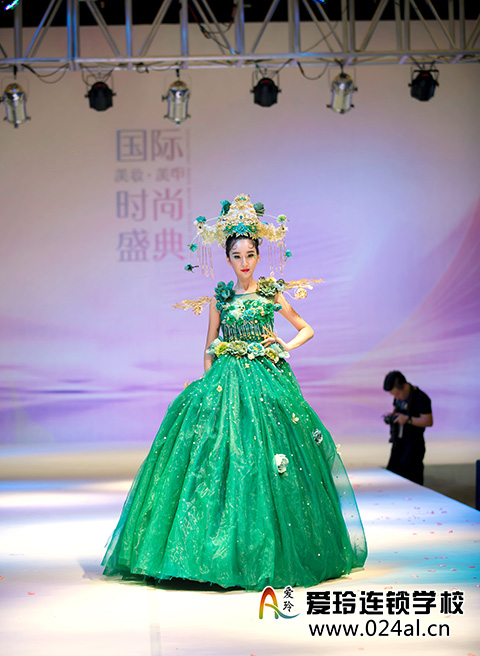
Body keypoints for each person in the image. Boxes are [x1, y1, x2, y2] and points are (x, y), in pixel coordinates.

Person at [102, 195, 367, 591]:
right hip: (225, 381)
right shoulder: (220, 299)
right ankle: (213, 552)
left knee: (265, 456)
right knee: (220, 458)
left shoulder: (271, 293)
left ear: (259, 255)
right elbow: (210, 346)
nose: (244, 262)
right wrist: (208, 385)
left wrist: (284, 346)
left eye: (250, 255)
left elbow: (306, 329)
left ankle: (265, 549)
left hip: (266, 380)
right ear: (227, 259)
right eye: (237, 256)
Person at [383, 370, 433, 485]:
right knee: (393, 473)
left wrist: (407, 419)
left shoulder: (421, 398)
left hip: (413, 444)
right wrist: (393, 416)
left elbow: (428, 421)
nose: (397, 398)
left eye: (398, 394)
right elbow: (397, 410)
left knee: (412, 477)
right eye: (394, 396)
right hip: (398, 442)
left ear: (405, 386)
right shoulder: (399, 398)